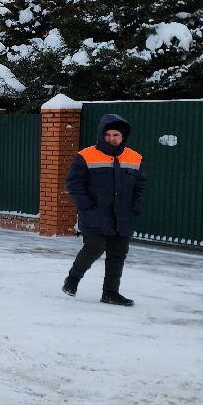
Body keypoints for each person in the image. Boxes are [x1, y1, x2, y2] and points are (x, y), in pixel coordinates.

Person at [64, 112, 146, 306]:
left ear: (123, 136)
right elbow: (74, 183)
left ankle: (110, 292)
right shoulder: (85, 156)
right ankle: (73, 279)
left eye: (116, 135)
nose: (112, 138)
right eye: (108, 134)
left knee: (117, 254)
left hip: (123, 216)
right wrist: (86, 205)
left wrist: (135, 206)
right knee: (94, 248)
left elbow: (140, 186)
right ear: (101, 134)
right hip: (94, 214)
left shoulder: (135, 157)